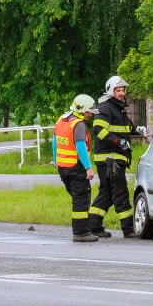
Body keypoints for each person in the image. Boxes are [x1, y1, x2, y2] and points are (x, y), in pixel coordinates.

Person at [88, 76, 147, 238]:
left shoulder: (118, 108)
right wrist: (117, 141)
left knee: (107, 193)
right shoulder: (105, 107)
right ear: (110, 91)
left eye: (123, 90)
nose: (121, 93)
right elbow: (99, 131)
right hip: (109, 159)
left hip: (114, 158)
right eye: (118, 90)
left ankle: (93, 225)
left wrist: (136, 130)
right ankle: (128, 229)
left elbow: (124, 127)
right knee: (120, 191)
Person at [53, 94, 99, 242]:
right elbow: (81, 148)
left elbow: (55, 143)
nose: (90, 114)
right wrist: (89, 167)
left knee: (77, 198)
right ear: (81, 110)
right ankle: (81, 233)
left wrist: (56, 162)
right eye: (88, 111)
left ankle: (83, 229)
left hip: (63, 168)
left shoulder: (61, 120)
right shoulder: (78, 124)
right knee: (81, 199)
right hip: (76, 167)